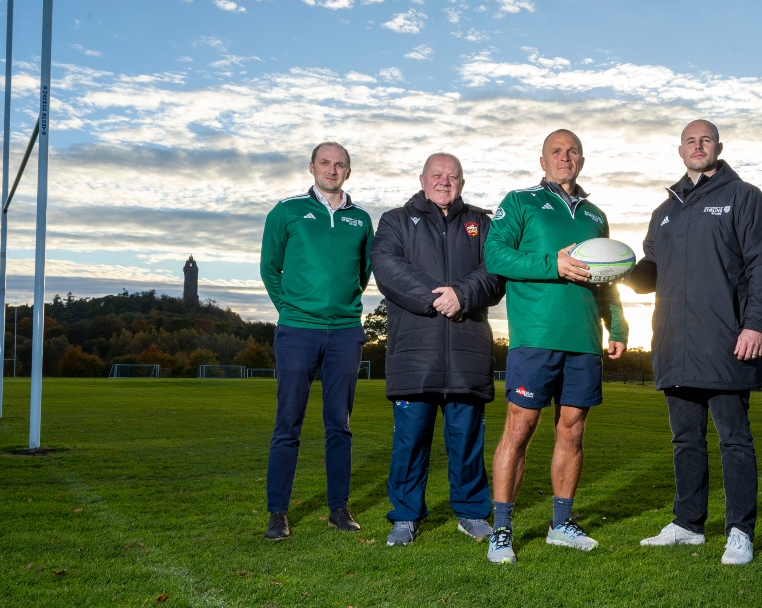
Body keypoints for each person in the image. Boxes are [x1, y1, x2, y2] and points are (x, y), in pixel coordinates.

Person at [629, 119, 762, 566]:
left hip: (727, 340)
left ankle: (740, 531)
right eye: (690, 141)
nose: (698, 147)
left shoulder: (744, 197)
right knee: (685, 439)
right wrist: (615, 267)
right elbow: (650, 274)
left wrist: (755, 325)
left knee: (734, 439)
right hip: (674, 342)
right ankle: (687, 524)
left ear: (718, 147)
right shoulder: (665, 210)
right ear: (680, 151)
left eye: (706, 140)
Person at [482, 129, 628, 564]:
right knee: (520, 428)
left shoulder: (595, 214)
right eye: (557, 151)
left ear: (581, 158)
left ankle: (561, 524)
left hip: (584, 341)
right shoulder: (520, 201)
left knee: (573, 430)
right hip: (536, 338)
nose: (566, 157)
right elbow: (495, 256)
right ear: (543, 159)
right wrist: (554, 263)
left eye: (573, 150)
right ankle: (502, 530)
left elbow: (606, 278)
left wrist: (616, 324)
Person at [371, 153, 504, 547]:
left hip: (467, 352)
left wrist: (462, 295)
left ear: (462, 182)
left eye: (453, 176)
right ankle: (406, 517)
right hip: (416, 353)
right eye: (437, 175)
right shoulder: (395, 220)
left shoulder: (482, 222)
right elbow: (386, 267)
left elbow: (496, 272)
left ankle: (471, 511)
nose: (445, 182)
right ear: (422, 179)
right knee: (410, 443)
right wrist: (438, 299)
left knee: (466, 443)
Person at [259, 141, 373, 541]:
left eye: (340, 164)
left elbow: (362, 273)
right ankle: (278, 512)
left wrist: (340, 309)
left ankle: (338, 508)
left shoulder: (360, 219)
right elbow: (270, 268)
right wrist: (294, 311)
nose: (332, 169)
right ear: (311, 167)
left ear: (348, 171)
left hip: (344, 334)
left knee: (339, 425)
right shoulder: (286, 211)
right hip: (297, 332)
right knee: (287, 424)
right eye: (325, 162)